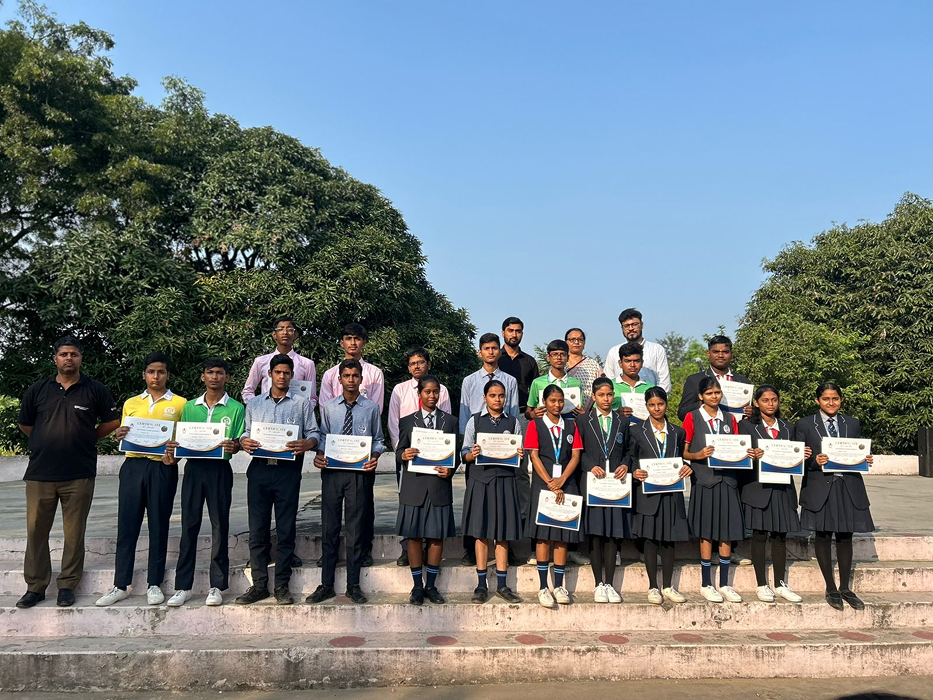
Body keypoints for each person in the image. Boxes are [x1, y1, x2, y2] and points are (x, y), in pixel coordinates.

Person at [15, 337, 120, 609]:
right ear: (55, 359)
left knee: (74, 534)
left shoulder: (94, 389)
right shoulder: (38, 389)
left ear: (81, 358)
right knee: (36, 532)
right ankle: (35, 587)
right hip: (40, 474)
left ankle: (67, 586)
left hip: (79, 473)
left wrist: (87, 438)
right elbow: (26, 424)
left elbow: (112, 421)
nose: (69, 358)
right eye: (63, 354)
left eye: (74, 354)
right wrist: (45, 440)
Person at [95, 352, 187, 607]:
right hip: (133, 466)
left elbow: (184, 439)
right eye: (151, 372)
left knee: (158, 524)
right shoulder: (131, 403)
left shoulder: (181, 404)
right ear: (144, 374)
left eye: (161, 372)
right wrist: (119, 435)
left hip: (162, 468)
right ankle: (120, 584)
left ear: (168, 375)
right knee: (127, 525)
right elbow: (124, 434)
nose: (155, 376)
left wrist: (175, 459)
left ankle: (154, 583)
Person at [236, 354, 320, 606]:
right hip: (259, 470)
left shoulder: (302, 404)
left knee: (286, 529)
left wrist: (307, 443)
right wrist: (244, 441)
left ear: (292, 376)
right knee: (257, 529)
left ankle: (282, 585)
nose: (282, 376)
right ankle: (259, 585)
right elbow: (246, 433)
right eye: (277, 372)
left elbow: (314, 433)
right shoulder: (254, 404)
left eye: (286, 373)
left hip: (287, 471)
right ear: (269, 374)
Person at [167, 358, 246, 608]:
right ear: (203, 376)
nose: (214, 377)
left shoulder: (236, 408)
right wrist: (173, 452)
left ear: (227, 377)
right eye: (210, 372)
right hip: (193, 469)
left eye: (220, 373)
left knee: (219, 525)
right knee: (189, 525)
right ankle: (183, 586)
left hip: (219, 469)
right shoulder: (190, 407)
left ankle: (217, 585)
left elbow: (240, 440)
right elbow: (181, 439)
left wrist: (236, 445)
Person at [308, 360, 386, 605]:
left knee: (355, 529)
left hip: (359, 474)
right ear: (339, 379)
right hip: (332, 472)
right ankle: (326, 584)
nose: (351, 380)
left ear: (361, 379)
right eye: (346, 376)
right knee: (329, 528)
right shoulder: (329, 407)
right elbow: (322, 436)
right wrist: (319, 454)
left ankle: (353, 584)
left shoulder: (371, 408)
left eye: (355, 376)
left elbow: (379, 439)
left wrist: (375, 457)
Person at [796, 382, 875, 611]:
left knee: (845, 535)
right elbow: (798, 459)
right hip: (820, 486)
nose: (831, 403)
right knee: (822, 534)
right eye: (826, 399)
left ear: (841, 400)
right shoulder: (804, 424)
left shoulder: (852, 423)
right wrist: (814, 461)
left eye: (835, 398)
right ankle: (830, 587)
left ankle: (845, 587)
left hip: (848, 485)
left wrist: (865, 459)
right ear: (817, 401)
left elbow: (856, 452)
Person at [317, 323, 385, 568]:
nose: (353, 342)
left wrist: (370, 454)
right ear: (341, 342)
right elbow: (327, 411)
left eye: (357, 338)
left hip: (362, 455)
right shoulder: (329, 374)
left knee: (364, 506)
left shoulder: (374, 373)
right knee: (331, 510)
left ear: (364, 342)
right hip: (334, 457)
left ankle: (363, 550)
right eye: (348, 338)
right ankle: (330, 553)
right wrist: (324, 451)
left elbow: (374, 409)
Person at [683, 377, 751, 603]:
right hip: (704, 480)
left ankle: (724, 583)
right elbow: (684, 451)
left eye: (717, 392)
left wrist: (746, 455)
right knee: (706, 531)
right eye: (709, 393)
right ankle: (706, 583)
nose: (714, 396)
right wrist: (697, 455)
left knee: (727, 532)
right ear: (700, 396)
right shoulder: (692, 417)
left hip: (728, 481)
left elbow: (738, 447)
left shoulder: (730, 418)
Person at [394, 375, 457, 605]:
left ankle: (431, 585)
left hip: (439, 486)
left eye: (435, 391)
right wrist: (404, 454)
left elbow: (455, 454)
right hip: (414, 486)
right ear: (419, 393)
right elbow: (399, 451)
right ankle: (417, 586)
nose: (432, 396)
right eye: (427, 392)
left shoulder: (450, 421)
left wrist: (450, 470)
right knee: (413, 536)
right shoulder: (407, 421)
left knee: (436, 537)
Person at [737, 385, 802, 604]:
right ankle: (761, 583)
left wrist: (802, 455)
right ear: (756, 403)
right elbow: (739, 455)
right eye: (765, 400)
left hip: (782, 488)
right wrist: (750, 454)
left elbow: (794, 456)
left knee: (780, 536)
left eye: (774, 399)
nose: (770, 404)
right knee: (759, 535)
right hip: (758, 488)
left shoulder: (788, 427)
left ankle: (781, 584)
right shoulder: (746, 426)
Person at [387, 348, 452, 567]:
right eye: (412, 363)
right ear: (408, 367)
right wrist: (402, 453)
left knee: (433, 505)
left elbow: (446, 427)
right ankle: (407, 549)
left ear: (428, 364)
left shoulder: (442, 391)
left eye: (421, 362)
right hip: (410, 461)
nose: (417, 366)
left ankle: (428, 550)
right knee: (409, 503)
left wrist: (442, 458)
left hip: (436, 462)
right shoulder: (400, 390)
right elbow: (394, 424)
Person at [460, 379, 523, 604]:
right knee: (481, 532)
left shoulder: (513, 422)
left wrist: (519, 454)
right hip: (481, 481)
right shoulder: (474, 420)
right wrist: (473, 453)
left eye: (501, 396)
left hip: (505, 481)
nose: (498, 399)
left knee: (502, 533)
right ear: (484, 397)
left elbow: (519, 452)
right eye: (493, 395)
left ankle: (502, 585)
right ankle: (481, 584)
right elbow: (464, 453)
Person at [459, 333, 519, 567]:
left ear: (499, 351)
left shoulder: (510, 381)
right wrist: (469, 447)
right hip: (478, 450)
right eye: (487, 348)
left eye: (495, 348)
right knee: (477, 506)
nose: (491, 352)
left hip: (503, 446)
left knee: (502, 507)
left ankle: (506, 552)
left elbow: (512, 413)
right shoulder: (469, 381)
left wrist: (511, 444)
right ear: (480, 352)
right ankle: (470, 550)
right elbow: (465, 415)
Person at [628, 387, 692, 604]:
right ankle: (653, 587)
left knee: (669, 540)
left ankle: (668, 586)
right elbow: (631, 458)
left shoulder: (677, 432)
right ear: (646, 406)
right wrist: (634, 472)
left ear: (666, 404)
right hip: (648, 492)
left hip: (671, 493)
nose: (657, 409)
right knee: (650, 539)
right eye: (652, 405)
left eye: (660, 404)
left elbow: (681, 459)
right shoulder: (636, 431)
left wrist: (687, 467)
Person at [525, 385, 584, 608]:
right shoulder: (535, 425)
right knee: (543, 537)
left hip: (566, 485)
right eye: (552, 401)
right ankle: (543, 587)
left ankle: (559, 585)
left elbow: (575, 456)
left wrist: (561, 480)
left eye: (560, 401)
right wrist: (550, 481)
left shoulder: (571, 425)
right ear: (544, 402)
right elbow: (534, 456)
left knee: (561, 536)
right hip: (543, 485)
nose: (557, 405)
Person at [578, 377, 631, 603]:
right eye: (601, 395)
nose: (606, 399)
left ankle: (610, 583)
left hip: (615, 485)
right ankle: (598, 583)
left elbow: (628, 451)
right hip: (594, 483)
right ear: (593, 396)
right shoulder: (583, 420)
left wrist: (625, 464)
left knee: (611, 535)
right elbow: (578, 452)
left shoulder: (622, 421)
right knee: (596, 534)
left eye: (609, 395)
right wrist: (591, 465)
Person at [241, 315, 317, 408]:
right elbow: (248, 391)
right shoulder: (260, 362)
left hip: (295, 413)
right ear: (274, 334)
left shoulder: (307, 364)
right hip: (266, 412)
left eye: (289, 329)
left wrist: (303, 411)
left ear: (295, 335)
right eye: (280, 329)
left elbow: (311, 398)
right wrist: (258, 408)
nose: (285, 332)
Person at [677, 335, 752, 421]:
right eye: (716, 352)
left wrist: (752, 413)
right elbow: (682, 413)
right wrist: (703, 403)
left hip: (737, 428)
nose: (720, 355)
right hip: (706, 428)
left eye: (725, 352)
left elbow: (755, 417)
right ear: (708, 354)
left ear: (731, 354)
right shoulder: (695, 380)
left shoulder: (743, 382)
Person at [604, 309, 671, 392]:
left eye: (634, 324)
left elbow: (664, 383)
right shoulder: (613, 352)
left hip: (650, 398)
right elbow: (608, 383)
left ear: (642, 325)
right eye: (626, 326)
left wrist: (656, 398)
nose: (631, 328)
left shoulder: (657, 350)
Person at [526, 340, 585, 421]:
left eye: (562, 354)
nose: (559, 358)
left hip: (570, 425)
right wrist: (532, 414)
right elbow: (528, 411)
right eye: (555, 354)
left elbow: (580, 409)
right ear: (548, 357)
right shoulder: (537, 383)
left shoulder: (576, 383)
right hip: (544, 426)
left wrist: (583, 414)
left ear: (568, 357)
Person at [497, 316, 539, 415]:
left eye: (518, 331)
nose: (514, 335)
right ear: (503, 333)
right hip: (498, 413)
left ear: (522, 334)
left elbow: (535, 390)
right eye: (510, 330)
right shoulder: (495, 359)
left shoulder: (529, 361)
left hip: (523, 414)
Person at [611, 341, 654, 422]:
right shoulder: (609, 386)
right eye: (627, 361)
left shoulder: (651, 388)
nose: (632, 365)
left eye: (636, 361)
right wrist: (616, 414)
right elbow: (597, 413)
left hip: (644, 429)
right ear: (620, 363)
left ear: (642, 363)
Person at [564, 328, 603, 407]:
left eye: (580, 340)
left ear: (584, 343)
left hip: (589, 410)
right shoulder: (560, 364)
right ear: (566, 343)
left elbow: (602, 388)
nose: (576, 342)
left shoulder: (593, 365)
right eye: (572, 339)